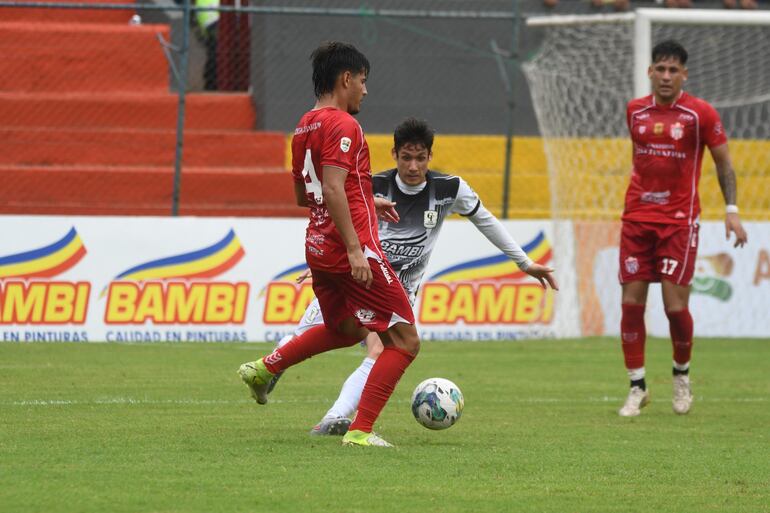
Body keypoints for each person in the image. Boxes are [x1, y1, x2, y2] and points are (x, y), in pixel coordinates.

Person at [269, 117, 559, 436]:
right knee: (307, 336)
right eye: (406, 157)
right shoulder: (372, 186)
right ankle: (270, 368)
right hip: (357, 280)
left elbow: (487, 221)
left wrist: (524, 263)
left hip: (397, 294)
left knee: (379, 351)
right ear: (394, 154)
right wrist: (327, 261)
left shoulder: (449, 189)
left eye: (420, 158)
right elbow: (337, 217)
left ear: (429, 157)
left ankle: (333, 418)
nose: (413, 166)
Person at [238, 41, 419, 448]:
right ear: (346, 79)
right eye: (363, 81)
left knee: (344, 329)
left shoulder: (304, 125)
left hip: (318, 247)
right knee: (405, 340)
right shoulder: (344, 125)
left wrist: (365, 197)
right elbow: (334, 187)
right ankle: (360, 431)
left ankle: (266, 369)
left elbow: (309, 195)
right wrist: (357, 249)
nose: (365, 91)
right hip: (350, 248)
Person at [618, 40, 748, 417]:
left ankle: (681, 376)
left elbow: (724, 164)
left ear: (684, 75)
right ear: (650, 72)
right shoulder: (635, 111)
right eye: (660, 68)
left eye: (673, 70)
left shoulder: (700, 115)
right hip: (637, 219)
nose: (666, 76)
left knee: (675, 308)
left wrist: (732, 210)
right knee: (630, 305)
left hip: (678, 223)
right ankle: (637, 386)